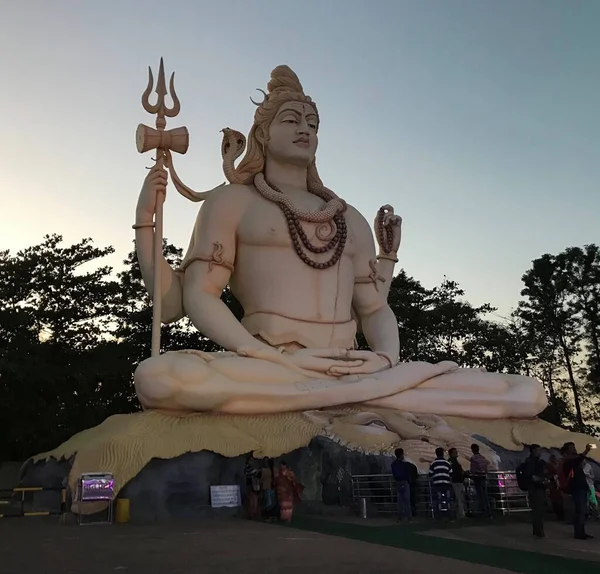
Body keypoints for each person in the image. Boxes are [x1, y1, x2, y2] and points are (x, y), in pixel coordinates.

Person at [131, 65, 549, 421]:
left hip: (353, 366)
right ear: (263, 133)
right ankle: (372, 398)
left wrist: (385, 358)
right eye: (291, 120)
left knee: (528, 393)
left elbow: (374, 307)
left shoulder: (349, 217)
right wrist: (146, 223)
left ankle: (348, 393)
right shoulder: (233, 202)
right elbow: (192, 298)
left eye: (312, 124)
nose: (304, 130)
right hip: (271, 362)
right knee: (158, 377)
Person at [562, 442, 595, 540]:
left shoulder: (573, 461)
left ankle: (581, 532)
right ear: (567, 451)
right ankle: (579, 533)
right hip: (577, 488)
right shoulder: (568, 462)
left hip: (582, 487)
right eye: (572, 448)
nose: (574, 449)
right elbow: (578, 459)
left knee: (583, 511)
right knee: (580, 511)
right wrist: (586, 451)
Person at [521, 444, 548, 538]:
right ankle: (539, 530)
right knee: (538, 510)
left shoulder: (532, 461)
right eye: (538, 450)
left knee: (537, 510)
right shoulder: (532, 462)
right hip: (536, 488)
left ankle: (537, 530)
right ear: (533, 451)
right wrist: (541, 479)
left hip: (535, 488)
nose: (540, 452)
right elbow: (531, 476)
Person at [429, 447, 454, 520]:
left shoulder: (433, 463)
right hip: (447, 483)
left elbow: (430, 473)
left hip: (437, 484)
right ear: (443, 454)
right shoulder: (447, 463)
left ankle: (439, 516)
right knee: (448, 499)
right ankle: (449, 515)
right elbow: (451, 473)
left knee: (438, 499)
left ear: (436, 454)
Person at [469, 444, 492, 518]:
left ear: (472, 450)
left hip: (477, 478)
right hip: (483, 477)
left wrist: (471, 474)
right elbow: (487, 465)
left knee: (480, 495)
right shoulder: (482, 458)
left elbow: (472, 469)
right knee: (485, 495)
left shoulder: (473, 458)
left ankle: (484, 511)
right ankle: (488, 511)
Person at [391, 448, 413, 521]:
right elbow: (407, 473)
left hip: (398, 482)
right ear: (401, 455)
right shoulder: (405, 464)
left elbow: (394, 474)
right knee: (407, 500)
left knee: (399, 501)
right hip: (405, 481)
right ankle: (408, 516)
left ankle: (400, 516)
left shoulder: (393, 464)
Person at [448, 448, 466, 519]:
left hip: (457, 481)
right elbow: (457, 471)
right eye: (455, 452)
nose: (456, 453)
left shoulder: (453, 461)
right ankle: (461, 515)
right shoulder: (452, 462)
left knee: (459, 498)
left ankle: (459, 514)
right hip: (456, 482)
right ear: (451, 454)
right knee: (459, 498)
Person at [546, 453, 565, 521]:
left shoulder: (557, 466)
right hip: (553, 484)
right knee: (556, 500)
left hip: (557, 484)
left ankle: (560, 515)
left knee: (558, 500)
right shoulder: (550, 466)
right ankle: (560, 515)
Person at [244, 454, 261, 520]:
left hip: (251, 485)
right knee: (253, 500)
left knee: (253, 499)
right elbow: (256, 473)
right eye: (251, 460)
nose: (252, 462)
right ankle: (252, 514)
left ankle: (252, 514)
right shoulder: (248, 468)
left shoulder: (248, 467)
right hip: (251, 485)